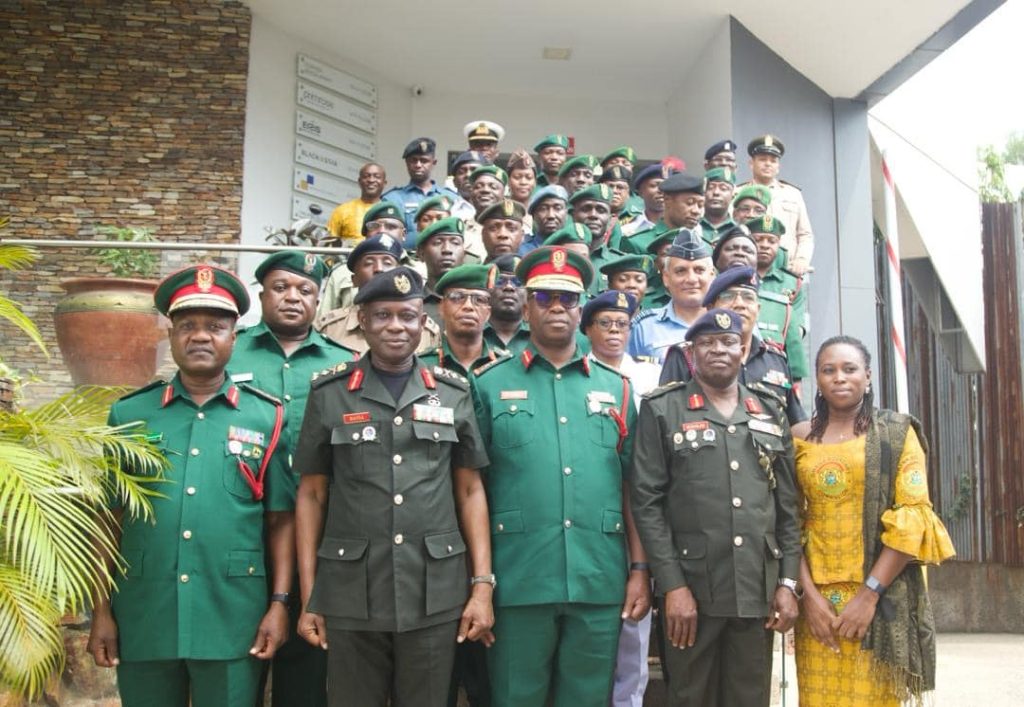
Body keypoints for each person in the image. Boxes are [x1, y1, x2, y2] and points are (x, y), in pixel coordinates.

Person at [89, 265, 294, 707]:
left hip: (232, 614)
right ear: (170, 335)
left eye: (215, 327)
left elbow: (280, 521)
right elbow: (110, 519)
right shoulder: (130, 416)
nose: (201, 336)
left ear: (234, 338)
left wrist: (279, 602)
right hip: (145, 612)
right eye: (187, 326)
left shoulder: (267, 417)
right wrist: (102, 611)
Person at [293, 266, 495, 707]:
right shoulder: (329, 393)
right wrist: (312, 596)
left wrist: (481, 586)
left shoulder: (453, 392)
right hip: (351, 591)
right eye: (383, 315)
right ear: (362, 319)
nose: (396, 327)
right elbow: (311, 495)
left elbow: (470, 490)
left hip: (434, 588)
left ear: (424, 322)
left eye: (407, 316)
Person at [472, 246, 649, 707]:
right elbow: (471, 489)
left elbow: (633, 486)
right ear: (526, 305)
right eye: (544, 297)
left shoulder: (617, 387)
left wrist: (638, 569)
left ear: (581, 308)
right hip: (518, 577)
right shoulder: (487, 384)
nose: (556, 307)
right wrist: (482, 580)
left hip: (598, 575)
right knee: (515, 698)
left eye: (567, 299)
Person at [630, 307, 802, 707]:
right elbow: (648, 503)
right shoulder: (662, 409)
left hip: (754, 588)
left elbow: (788, 507)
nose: (718, 350)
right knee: (690, 696)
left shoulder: (770, 410)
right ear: (691, 352)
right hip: (692, 589)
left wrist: (787, 582)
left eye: (728, 342)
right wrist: (672, 586)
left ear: (743, 349)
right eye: (707, 343)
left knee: (749, 698)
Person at [791, 336, 955, 706]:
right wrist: (808, 599)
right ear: (816, 379)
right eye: (828, 370)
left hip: (878, 601)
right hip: (817, 606)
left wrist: (868, 597)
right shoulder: (799, 438)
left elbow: (912, 517)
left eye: (850, 369)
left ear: (867, 376)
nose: (839, 378)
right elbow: (788, 523)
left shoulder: (895, 434)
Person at [229, 251, 355, 707]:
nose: (292, 298)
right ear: (261, 293)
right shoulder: (231, 350)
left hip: (316, 535)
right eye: (281, 287)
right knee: (235, 663)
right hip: (241, 530)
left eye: (305, 290)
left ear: (319, 301)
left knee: (305, 665)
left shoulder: (345, 363)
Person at [579, 290, 659, 707]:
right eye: (605, 324)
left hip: (639, 508)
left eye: (622, 324)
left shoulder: (650, 377)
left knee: (634, 628)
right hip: (592, 509)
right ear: (587, 328)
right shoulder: (576, 375)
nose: (614, 332)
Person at [658, 266, 807, 424]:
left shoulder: (776, 360)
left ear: (758, 309)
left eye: (748, 297)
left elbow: (795, 423)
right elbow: (665, 419)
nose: (739, 304)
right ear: (710, 308)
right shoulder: (687, 356)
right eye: (728, 296)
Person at [317, 235, 442, 354]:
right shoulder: (331, 328)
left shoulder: (426, 330)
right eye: (368, 263)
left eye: (387, 263)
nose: (379, 269)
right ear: (354, 280)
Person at [629, 227, 714, 365]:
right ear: (666, 278)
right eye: (681, 271)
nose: (691, 279)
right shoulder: (644, 327)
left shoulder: (732, 324)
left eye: (699, 270)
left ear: (712, 276)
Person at [316, 201, 409, 317]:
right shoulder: (341, 273)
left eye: (391, 227)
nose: (382, 231)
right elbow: (324, 320)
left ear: (404, 234)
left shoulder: (421, 270)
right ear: (365, 233)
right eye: (374, 226)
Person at [738, 135, 813, 275]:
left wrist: (802, 260)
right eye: (762, 159)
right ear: (751, 163)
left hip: (788, 269)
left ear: (778, 166)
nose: (768, 164)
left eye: (773, 161)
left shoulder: (793, 194)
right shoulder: (738, 193)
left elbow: (805, 234)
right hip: (749, 267)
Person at [420, 263, 510, 379]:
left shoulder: (505, 366)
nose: (468, 306)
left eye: (479, 299)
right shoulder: (422, 366)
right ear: (441, 308)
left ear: (488, 313)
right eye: (457, 297)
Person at [748, 214, 809, 384]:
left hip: (776, 363)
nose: (765, 245)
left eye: (771, 241)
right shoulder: (733, 276)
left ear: (779, 244)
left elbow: (796, 330)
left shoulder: (792, 282)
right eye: (758, 239)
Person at [383, 137, 459, 247]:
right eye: (413, 160)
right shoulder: (392, 199)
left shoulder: (452, 197)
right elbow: (386, 237)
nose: (418, 165)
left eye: (424, 161)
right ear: (407, 163)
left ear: (434, 163)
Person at [620, 172, 704, 256]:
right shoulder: (635, 242)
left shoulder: (703, 245)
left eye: (700, 205)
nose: (696, 211)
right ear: (667, 200)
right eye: (689, 203)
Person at [416, 216, 469, 323]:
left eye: (455, 243)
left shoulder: (477, 304)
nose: (447, 250)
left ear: (464, 254)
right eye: (437, 243)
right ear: (421, 254)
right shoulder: (412, 305)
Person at [326, 162, 387, 246]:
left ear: (384, 183)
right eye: (366, 176)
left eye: (377, 177)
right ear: (359, 181)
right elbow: (329, 245)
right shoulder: (342, 210)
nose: (371, 180)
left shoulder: (389, 211)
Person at [482, 254, 531, 355]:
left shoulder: (541, 335)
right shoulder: (473, 332)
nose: (509, 287)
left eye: (517, 282)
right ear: (487, 290)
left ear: (528, 292)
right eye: (500, 281)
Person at [619, 163, 669, 239]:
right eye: (654, 185)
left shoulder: (683, 229)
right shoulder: (627, 230)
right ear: (640, 192)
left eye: (666, 185)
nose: (661, 190)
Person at [522, 185, 569, 253]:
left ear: (566, 213)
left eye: (557, 208)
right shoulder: (522, 250)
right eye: (543, 209)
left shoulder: (574, 248)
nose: (551, 215)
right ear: (533, 215)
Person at [700, 167, 737, 242]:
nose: (716, 192)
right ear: (703, 193)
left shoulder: (738, 231)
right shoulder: (692, 227)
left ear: (733, 195)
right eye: (710, 188)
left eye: (723, 188)